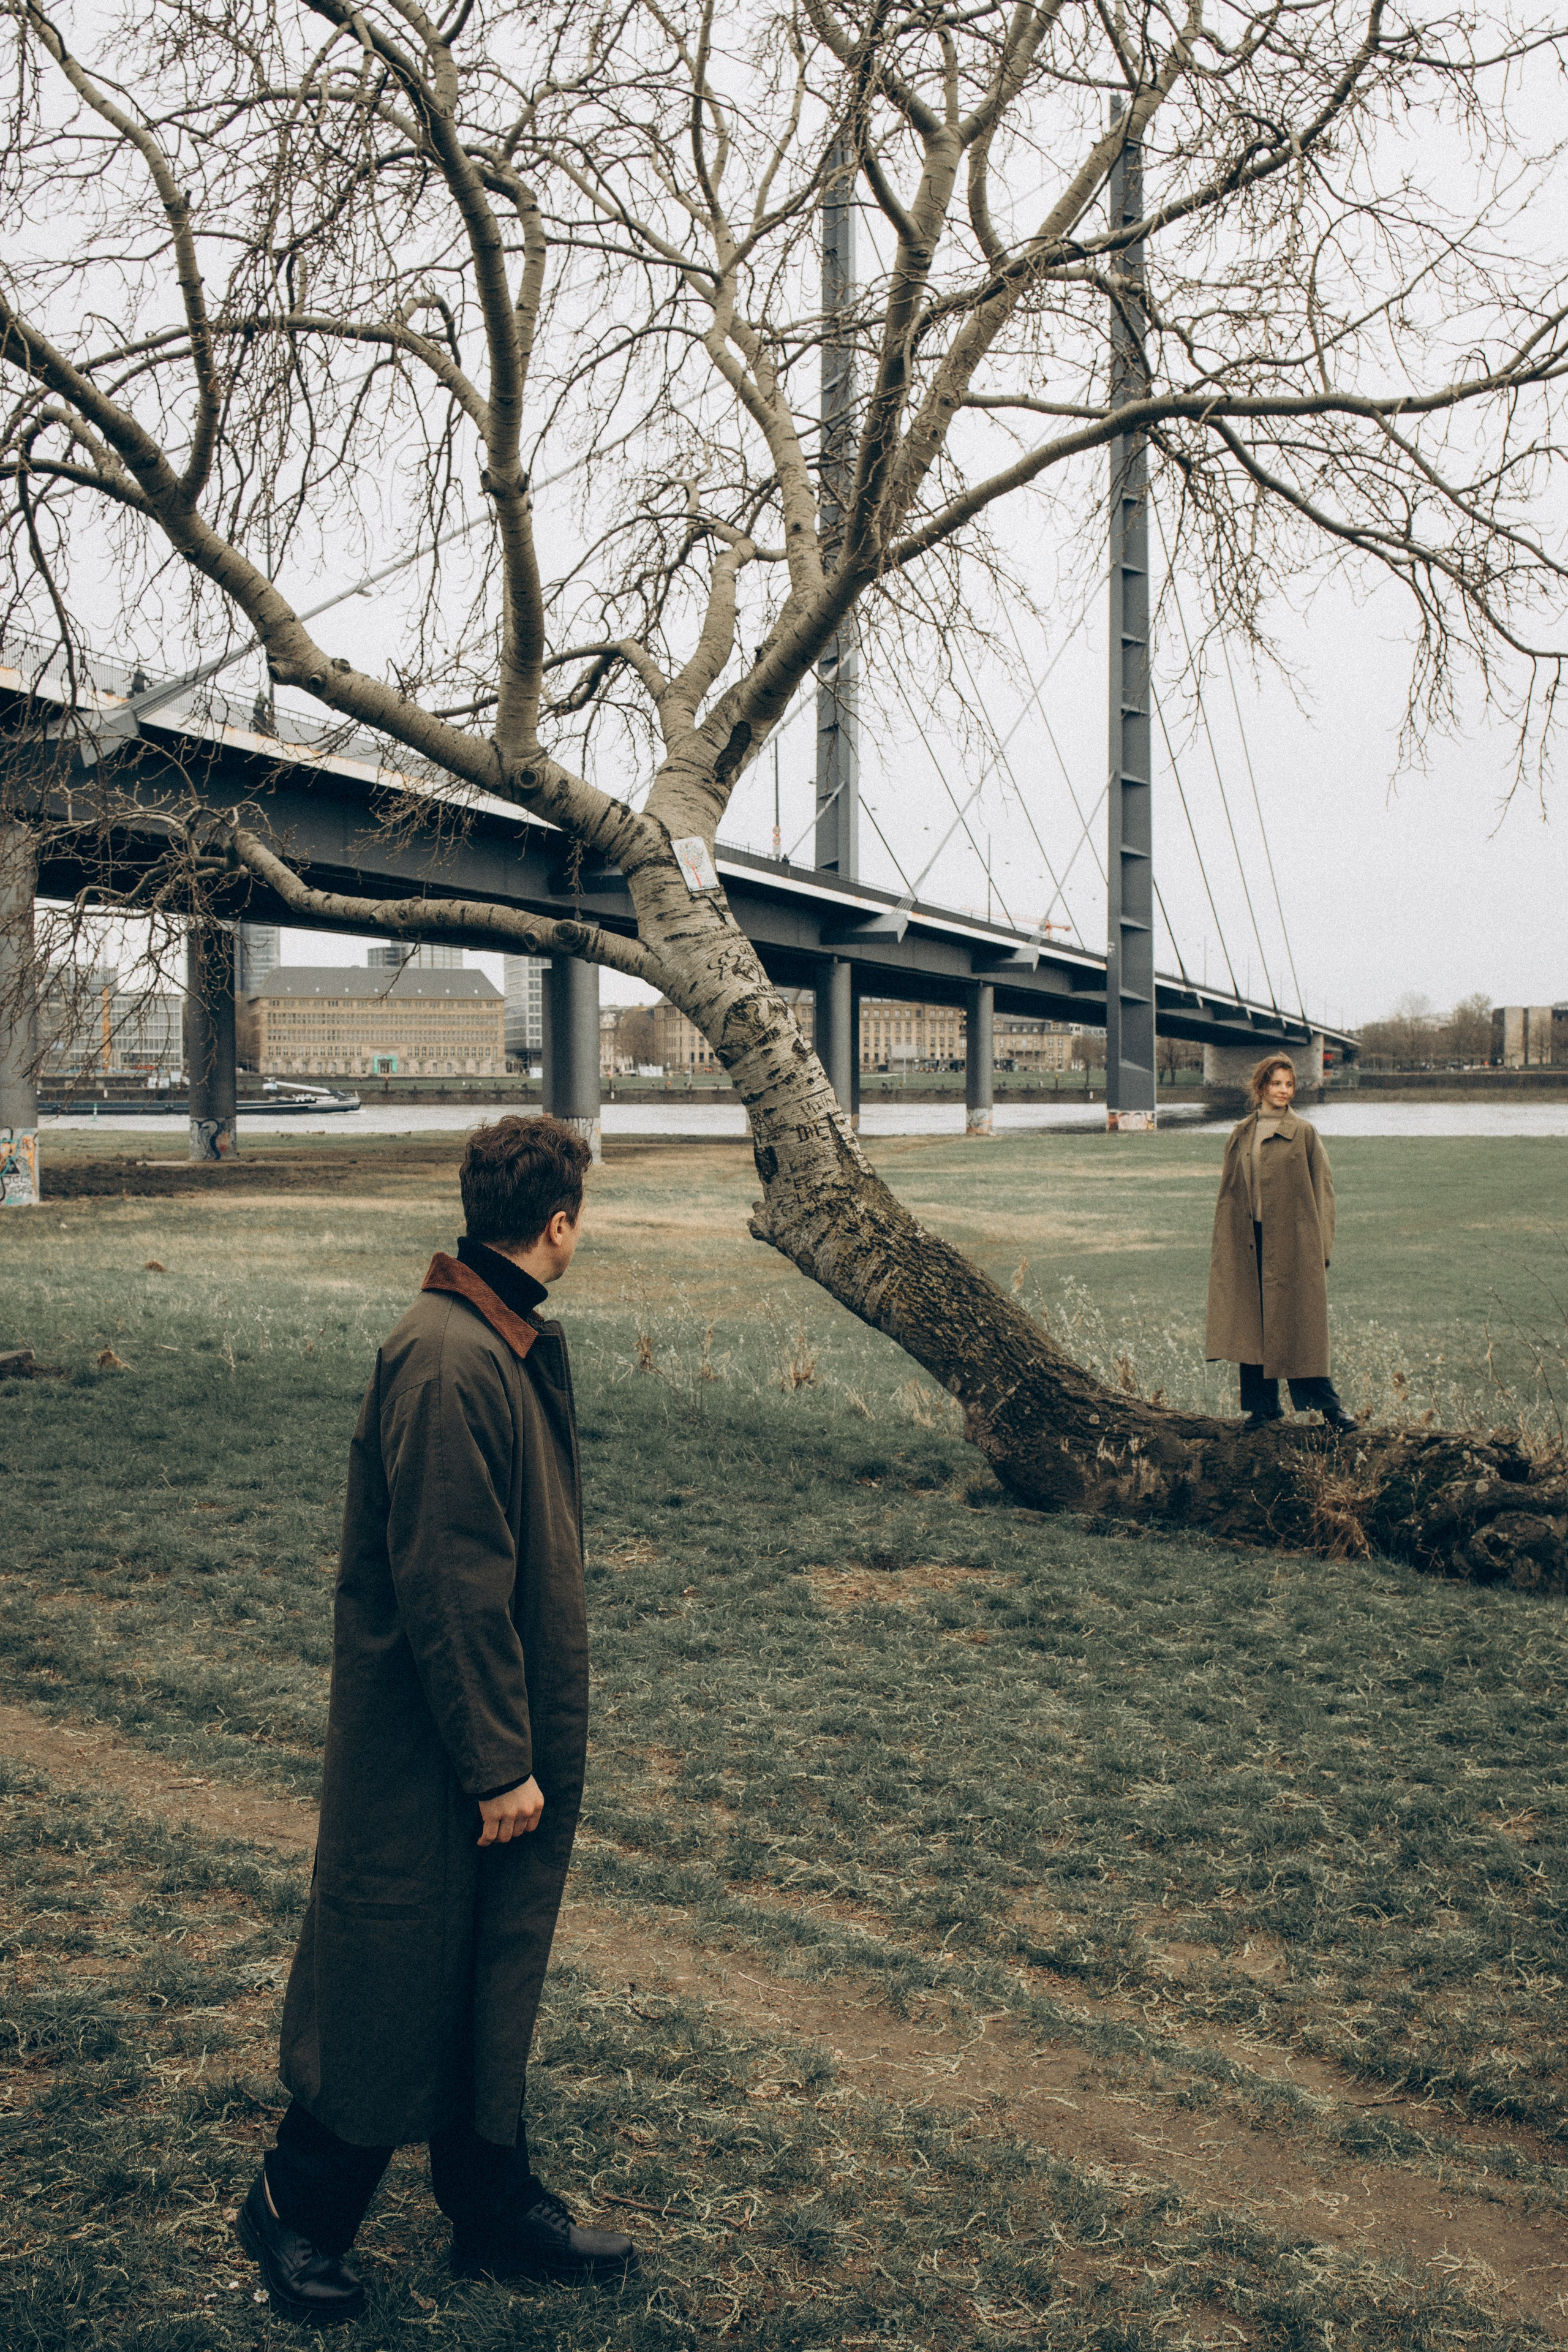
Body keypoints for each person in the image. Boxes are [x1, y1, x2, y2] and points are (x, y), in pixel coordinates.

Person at [235, 1115, 635, 2324]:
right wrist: (497, 1761)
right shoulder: (451, 1358)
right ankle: (293, 2210)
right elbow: (450, 1581)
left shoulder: (489, 1339)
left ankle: (490, 2205)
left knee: (483, 1971)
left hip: (474, 1744)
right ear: (558, 1225)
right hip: (435, 1754)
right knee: (389, 1970)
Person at [1204, 1053, 1358, 1434]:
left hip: (1292, 1246)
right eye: (1277, 1084)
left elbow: (1324, 1191)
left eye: (1289, 1085)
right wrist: (1225, 1245)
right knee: (1251, 1326)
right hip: (1248, 1242)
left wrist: (1321, 1247)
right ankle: (1262, 1409)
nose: (1284, 1091)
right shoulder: (1241, 1133)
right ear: (1261, 1087)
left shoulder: (1303, 1133)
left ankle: (1329, 1409)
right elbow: (1229, 1193)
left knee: (1298, 1326)